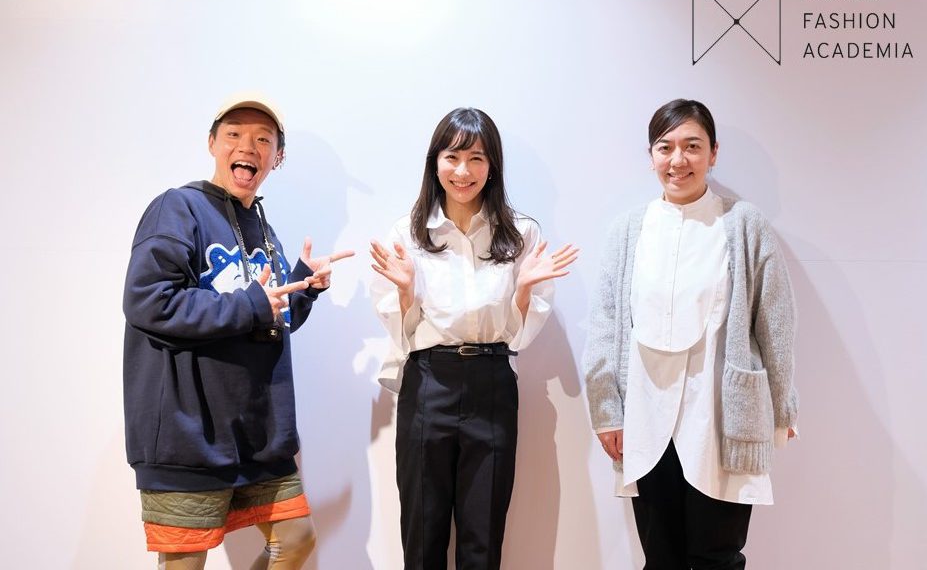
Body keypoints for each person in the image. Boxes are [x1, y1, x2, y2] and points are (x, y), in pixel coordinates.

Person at [122, 93, 353, 569]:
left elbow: (269, 320)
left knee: (296, 539)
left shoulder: (263, 230)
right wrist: (251, 304)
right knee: (186, 563)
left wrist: (303, 285)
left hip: (258, 436)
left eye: (263, 140)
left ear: (277, 157)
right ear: (212, 143)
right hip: (189, 436)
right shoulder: (177, 207)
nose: (248, 147)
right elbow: (149, 301)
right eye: (234, 134)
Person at [583, 99, 799, 570]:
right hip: (645, 417)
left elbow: (775, 321)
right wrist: (606, 411)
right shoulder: (628, 231)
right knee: (661, 558)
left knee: (717, 558)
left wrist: (783, 407)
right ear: (651, 155)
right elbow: (604, 324)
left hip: (717, 417)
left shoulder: (743, 223)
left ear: (713, 153)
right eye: (666, 148)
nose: (678, 160)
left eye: (692, 146)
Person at [370, 107, 578, 570]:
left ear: (492, 166)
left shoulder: (521, 233)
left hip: (492, 382)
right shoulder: (407, 233)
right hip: (429, 381)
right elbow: (404, 334)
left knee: (483, 538)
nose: (463, 171)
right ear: (435, 162)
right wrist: (405, 292)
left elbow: (517, 336)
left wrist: (523, 290)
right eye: (452, 157)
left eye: (476, 159)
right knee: (422, 532)